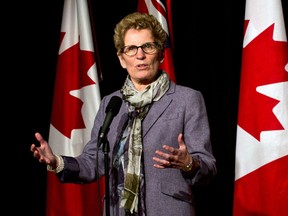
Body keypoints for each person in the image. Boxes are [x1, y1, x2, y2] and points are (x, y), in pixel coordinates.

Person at [31, 12, 217, 216]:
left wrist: (189, 162)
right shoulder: (111, 104)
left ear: (161, 54)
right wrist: (57, 162)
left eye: (148, 46)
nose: (140, 55)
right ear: (121, 58)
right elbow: (94, 161)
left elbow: (208, 167)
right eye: (131, 49)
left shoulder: (187, 99)